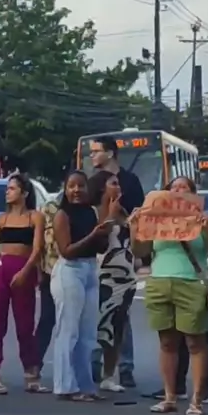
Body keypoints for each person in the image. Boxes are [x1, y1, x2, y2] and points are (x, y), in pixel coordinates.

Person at [132, 175, 208, 415]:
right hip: (160, 281)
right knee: (167, 342)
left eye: (184, 187)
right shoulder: (156, 218)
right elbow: (140, 251)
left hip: (191, 282)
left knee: (195, 342)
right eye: (174, 187)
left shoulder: (203, 217)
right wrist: (135, 227)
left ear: (193, 194)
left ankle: (197, 399)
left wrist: (206, 226)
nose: (179, 190)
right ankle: (170, 396)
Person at [89, 135, 144, 388]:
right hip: (100, 260)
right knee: (97, 315)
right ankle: (94, 365)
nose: (92, 155)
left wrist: (139, 255)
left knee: (120, 315)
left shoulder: (130, 181)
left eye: (96, 151)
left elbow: (139, 218)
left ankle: (124, 367)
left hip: (123, 256)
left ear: (110, 153)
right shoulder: (91, 183)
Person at [51, 170, 111, 401]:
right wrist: (93, 235)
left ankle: (85, 385)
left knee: (87, 333)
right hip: (70, 271)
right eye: (71, 186)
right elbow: (67, 250)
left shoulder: (91, 212)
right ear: (65, 190)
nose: (76, 190)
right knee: (68, 331)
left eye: (81, 186)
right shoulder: (62, 215)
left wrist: (104, 231)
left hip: (90, 269)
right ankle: (65, 385)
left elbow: (101, 247)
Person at [0, 173, 46, 394]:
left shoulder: (35, 217)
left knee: (25, 324)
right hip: (1, 268)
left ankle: (30, 372)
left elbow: (37, 249)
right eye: (8, 188)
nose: (8, 192)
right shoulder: (1, 219)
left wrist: (26, 271)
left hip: (23, 268)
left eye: (12, 188)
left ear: (24, 193)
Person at [35, 191, 62, 373]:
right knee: (47, 318)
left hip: (77, 270)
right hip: (50, 271)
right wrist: (39, 270)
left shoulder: (88, 209)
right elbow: (40, 244)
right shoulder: (50, 209)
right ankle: (35, 363)